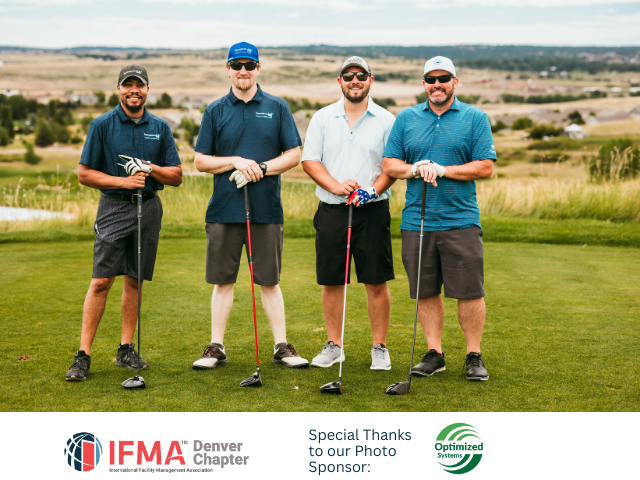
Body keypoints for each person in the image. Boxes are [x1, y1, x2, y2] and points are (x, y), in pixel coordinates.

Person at [192, 42, 309, 370]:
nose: (243, 70)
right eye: (236, 65)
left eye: (249, 65)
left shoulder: (277, 106)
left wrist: (261, 169)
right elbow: (201, 161)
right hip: (224, 210)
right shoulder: (215, 110)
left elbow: (294, 154)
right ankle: (216, 347)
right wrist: (236, 162)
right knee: (223, 280)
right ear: (228, 69)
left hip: (266, 209)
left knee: (269, 280)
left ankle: (282, 346)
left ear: (258, 68)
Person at [66, 64, 183, 381]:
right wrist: (123, 182)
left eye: (139, 85)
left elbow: (176, 176)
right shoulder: (102, 125)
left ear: (147, 89)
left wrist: (150, 168)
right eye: (128, 84)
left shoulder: (159, 127)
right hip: (114, 207)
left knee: (134, 279)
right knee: (101, 280)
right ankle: (83, 356)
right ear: (119, 89)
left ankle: (125, 349)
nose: (134, 90)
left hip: (148, 209)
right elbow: (85, 174)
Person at [382, 56, 496, 381]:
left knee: (469, 291)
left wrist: (443, 170)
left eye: (443, 78)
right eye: (431, 79)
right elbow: (390, 163)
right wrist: (415, 168)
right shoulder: (406, 118)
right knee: (425, 290)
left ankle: (474, 355)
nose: (437, 84)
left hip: (460, 220)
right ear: (424, 84)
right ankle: (435, 353)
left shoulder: (475, 118)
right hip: (417, 221)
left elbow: (485, 166)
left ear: (455, 82)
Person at [302, 56, 397, 371]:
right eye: (348, 75)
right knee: (332, 281)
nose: (354, 80)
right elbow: (311, 161)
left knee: (376, 280)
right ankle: (334, 345)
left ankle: (379, 347)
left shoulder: (386, 120)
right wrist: (336, 185)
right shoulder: (322, 118)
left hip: (372, 210)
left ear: (371, 80)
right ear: (339, 81)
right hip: (332, 209)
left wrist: (373, 189)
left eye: (361, 75)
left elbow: (391, 167)